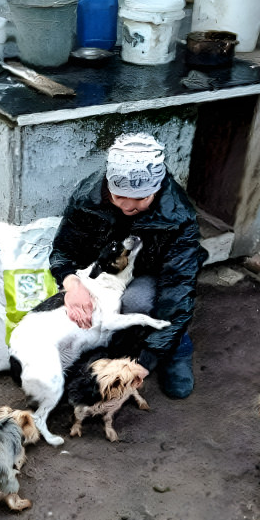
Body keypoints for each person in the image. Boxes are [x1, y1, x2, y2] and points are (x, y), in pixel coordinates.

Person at [48, 132, 208, 399]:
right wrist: (72, 284)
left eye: (141, 198)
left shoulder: (178, 217)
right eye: (119, 196)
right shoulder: (88, 198)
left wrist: (145, 364)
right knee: (80, 315)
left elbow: (177, 290)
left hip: (148, 272)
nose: (128, 206)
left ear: (156, 189)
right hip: (103, 270)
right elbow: (63, 251)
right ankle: (123, 344)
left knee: (139, 301)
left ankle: (176, 348)